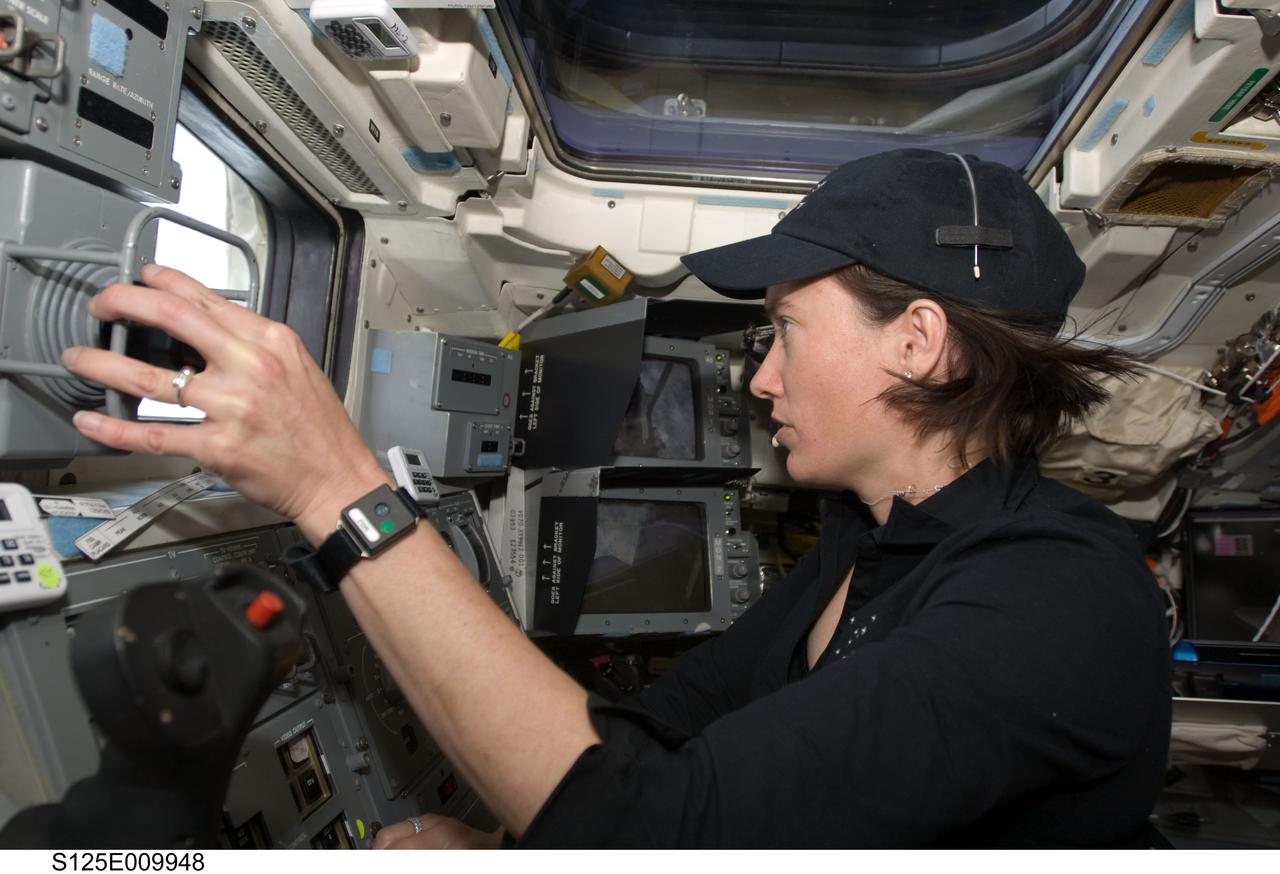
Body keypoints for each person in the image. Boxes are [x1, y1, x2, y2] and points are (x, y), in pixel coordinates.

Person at [61, 148, 1171, 848]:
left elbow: (663, 829)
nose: (762, 379)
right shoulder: (866, 534)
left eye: (785, 330)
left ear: (917, 343)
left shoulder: (1054, 599)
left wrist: (331, 483)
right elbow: (672, 725)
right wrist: (508, 847)